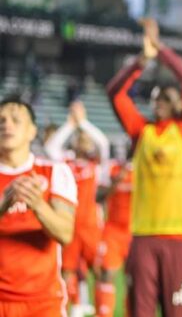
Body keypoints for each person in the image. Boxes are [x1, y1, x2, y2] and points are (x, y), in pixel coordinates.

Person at [107, 18, 182, 317]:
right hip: (143, 236)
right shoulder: (142, 132)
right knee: (140, 312)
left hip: (178, 238)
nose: (158, 101)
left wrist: (161, 50)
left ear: (179, 104)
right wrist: (141, 62)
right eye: (155, 97)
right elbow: (115, 93)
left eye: (165, 97)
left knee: (177, 313)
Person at [0, 97, 77, 317]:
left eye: (16, 120)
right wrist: (2, 206)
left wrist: (38, 205)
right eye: (1, 121)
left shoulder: (54, 172)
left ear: (32, 131)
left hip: (43, 303)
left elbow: (65, 233)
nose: (7, 125)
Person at [44, 100, 109, 313]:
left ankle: (102, 310)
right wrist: (72, 124)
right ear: (74, 142)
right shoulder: (66, 162)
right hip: (70, 223)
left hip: (91, 226)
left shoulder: (97, 165)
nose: (85, 140)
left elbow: (103, 143)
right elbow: (51, 147)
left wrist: (84, 122)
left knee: (100, 270)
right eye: (81, 138)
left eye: (87, 138)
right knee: (67, 271)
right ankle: (69, 309)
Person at [95, 156, 134, 317]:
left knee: (133, 279)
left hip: (135, 232)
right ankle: (104, 314)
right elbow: (98, 196)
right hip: (113, 230)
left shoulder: (142, 167)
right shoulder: (111, 168)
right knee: (107, 274)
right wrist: (115, 182)